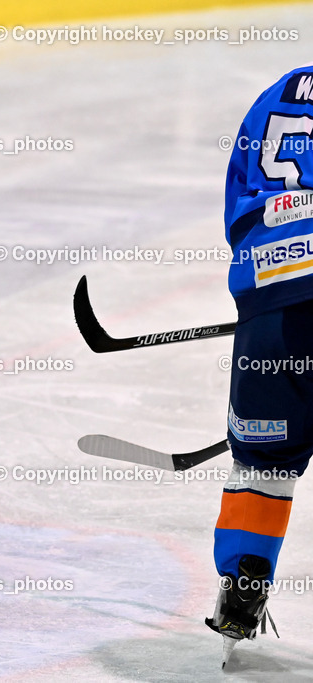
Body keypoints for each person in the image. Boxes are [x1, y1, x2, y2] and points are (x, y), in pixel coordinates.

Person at [207, 66, 313, 666]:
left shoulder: (279, 93)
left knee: (265, 462)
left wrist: (264, 298)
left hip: (271, 301)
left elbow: (239, 199)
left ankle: (243, 586)